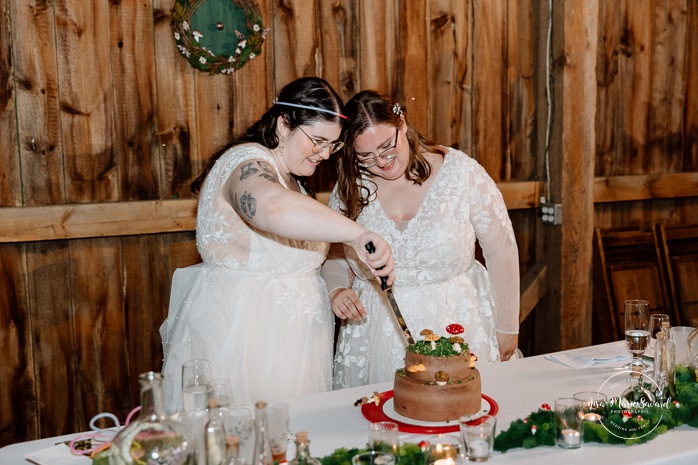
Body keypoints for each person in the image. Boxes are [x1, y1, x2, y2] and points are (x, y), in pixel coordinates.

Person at [159, 78, 395, 414]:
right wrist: (358, 235)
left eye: (333, 145)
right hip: (243, 341)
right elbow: (270, 208)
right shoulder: (246, 161)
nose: (325, 154)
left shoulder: (296, 183)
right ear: (284, 125)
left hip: (297, 349)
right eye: (317, 141)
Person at [324, 90, 520, 389]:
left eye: (387, 147)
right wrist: (337, 288)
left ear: (402, 123)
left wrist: (507, 326)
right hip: (376, 329)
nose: (382, 162)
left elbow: (501, 250)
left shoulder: (460, 172)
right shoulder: (350, 188)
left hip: (456, 320)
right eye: (366, 156)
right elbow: (334, 254)